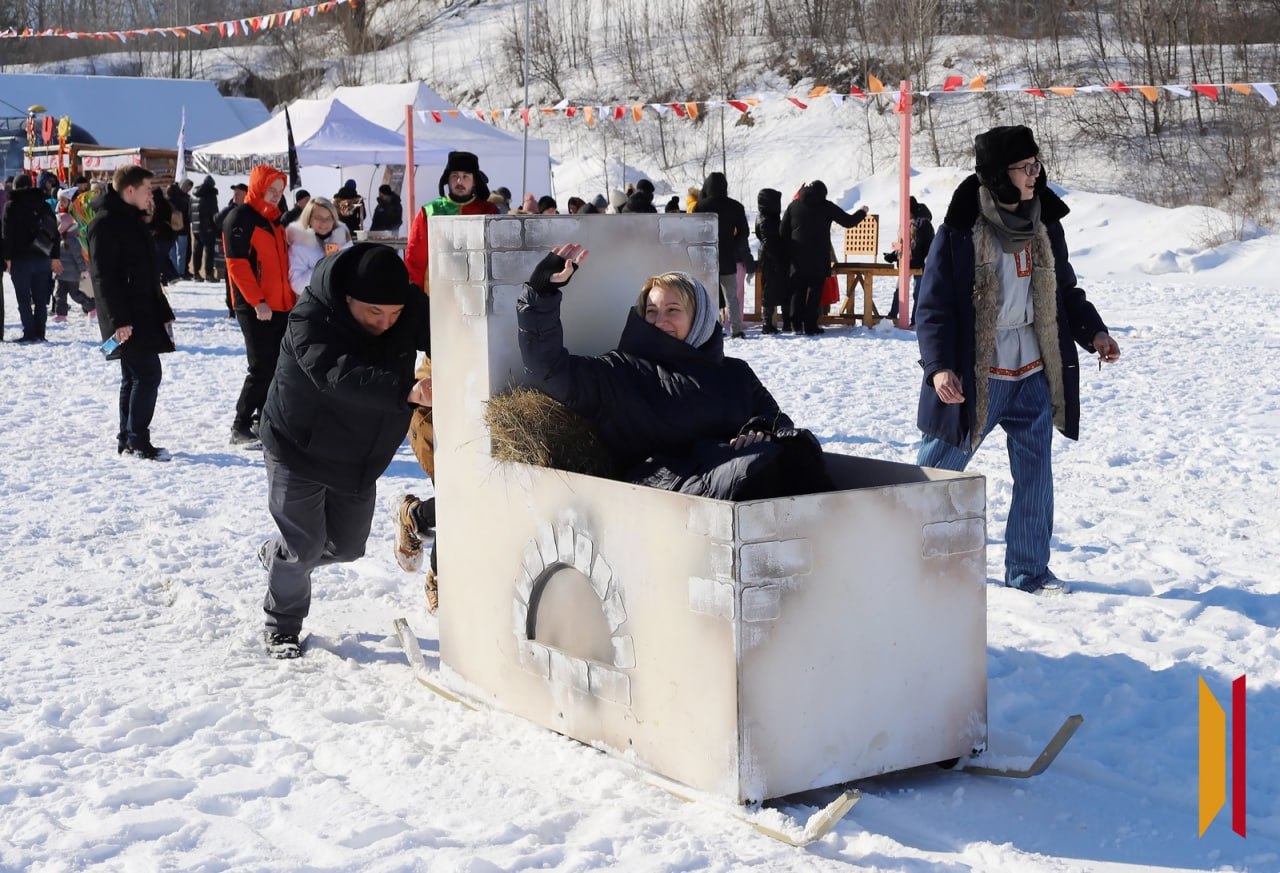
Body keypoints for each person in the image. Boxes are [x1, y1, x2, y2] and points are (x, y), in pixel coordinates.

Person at [914, 125, 1122, 595]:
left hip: (1032, 370)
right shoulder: (959, 232)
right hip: (977, 374)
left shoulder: (1045, 224)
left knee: (1036, 476)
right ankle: (904, 556)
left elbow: (1064, 291)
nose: (1036, 174)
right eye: (1026, 167)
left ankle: (1029, 571)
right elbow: (934, 309)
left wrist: (1095, 332)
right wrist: (939, 367)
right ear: (999, 175)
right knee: (936, 471)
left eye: (1036, 164)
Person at [515, 244, 831, 502]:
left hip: (736, 472)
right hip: (665, 491)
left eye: (673, 311)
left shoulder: (736, 373)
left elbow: (776, 420)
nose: (659, 320)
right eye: (651, 312)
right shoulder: (621, 371)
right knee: (752, 470)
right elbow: (548, 369)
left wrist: (759, 428)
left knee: (796, 450)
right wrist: (541, 293)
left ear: (701, 318)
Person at [257, 243, 431, 658]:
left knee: (347, 547)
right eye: (375, 313)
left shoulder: (406, 308)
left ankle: (280, 557)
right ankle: (282, 625)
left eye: (394, 314)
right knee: (303, 548)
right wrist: (407, 390)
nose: (387, 323)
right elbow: (337, 373)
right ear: (348, 298)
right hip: (298, 446)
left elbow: (455, 327)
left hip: (357, 455)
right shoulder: (310, 317)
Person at [399, 150, 498, 612]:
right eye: (454, 176)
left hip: (487, 334)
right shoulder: (431, 213)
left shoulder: (491, 213)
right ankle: (441, 569)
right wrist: (421, 323)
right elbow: (414, 267)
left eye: (466, 176)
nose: (460, 182)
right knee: (455, 471)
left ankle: (419, 519)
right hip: (443, 335)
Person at [88, 165, 175, 460]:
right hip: (128, 316)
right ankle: (138, 440)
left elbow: (147, 274)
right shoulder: (106, 223)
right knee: (148, 375)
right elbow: (104, 278)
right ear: (129, 190)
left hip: (144, 311)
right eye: (147, 188)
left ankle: (127, 438)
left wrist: (163, 310)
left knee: (134, 376)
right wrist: (118, 322)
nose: (151, 194)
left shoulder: (132, 220)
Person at [224, 165, 294, 447]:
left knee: (277, 365)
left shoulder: (275, 221)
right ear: (259, 188)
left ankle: (261, 419)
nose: (276, 195)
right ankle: (240, 425)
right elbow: (237, 265)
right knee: (261, 366)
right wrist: (257, 301)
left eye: (279, 191)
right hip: (255, 306)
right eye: (271, 190)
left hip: (280, 305)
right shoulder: (241, 218)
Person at [780, 181, 868, 336]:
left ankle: (795, 326)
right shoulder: (826, 206)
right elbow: (848, 222)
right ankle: (810, 326)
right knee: (814, 293)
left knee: (797, 292)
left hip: (797, 258)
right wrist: (862, 212)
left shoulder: (793, 206)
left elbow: (782, 231)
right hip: (818, 258)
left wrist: (791, 250)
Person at [2, 173, 61, 342]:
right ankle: (40, 333)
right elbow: (54, 233)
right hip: (42, 256)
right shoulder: (43, 204)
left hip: (20, 259)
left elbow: (8, 235)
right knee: (41, 298)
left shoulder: (11, 206)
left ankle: (29, 332)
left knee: (23, 298)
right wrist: (54, 257)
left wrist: (7, 258)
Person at [693, 172, 750, 339]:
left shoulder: (700, 206)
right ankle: (736, 329)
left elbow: (693, 232)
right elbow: (744, 232)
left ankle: (713, 330)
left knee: (710, 297)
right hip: (728, 257)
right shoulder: (736, 206)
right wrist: (734, 244)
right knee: (731, 296)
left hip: (706, 257)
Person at [286, 196, 352, 297]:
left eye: (328, 218)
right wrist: (324, 267)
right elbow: (297, 285)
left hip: (341, 300)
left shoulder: (342, 239)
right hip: (313, 303)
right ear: (309, 219)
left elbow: (352, 271)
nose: (324, 223)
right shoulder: (300, 245)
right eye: (318, 218)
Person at [884, 195, 935, 324]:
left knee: (918, 293)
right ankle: (893, 314)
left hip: (920, 265)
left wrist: (927, 262)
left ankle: (916, 319)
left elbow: (929, 245)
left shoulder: (924, 224)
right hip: (905, 263)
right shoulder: (905, 223)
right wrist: (893, 255)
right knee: (899, 290)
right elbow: (901, 244)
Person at [52, 187, 95, 323]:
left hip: (72, 273)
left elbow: (77, 256)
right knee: (60, 293)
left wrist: (82, 269)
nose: (61, 203)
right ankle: (61, 314)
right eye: (60, 201)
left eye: (64, 201)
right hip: (62, 271)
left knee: (75, 294)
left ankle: (91, 306)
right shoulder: (61, 236)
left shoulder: (72, 238)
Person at [755, 188, 790, 334]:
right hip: (773, 258)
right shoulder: (767, 219)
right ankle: (768, 324)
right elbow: (768, 241)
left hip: (773, 257)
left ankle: (775, 323)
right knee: (772, 291)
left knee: (777, 291)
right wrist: (776, 260)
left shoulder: (765, 217)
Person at [214, 183, 248, 315]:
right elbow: (216, 220)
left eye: (239, 192)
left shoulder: (250, 209)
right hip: (231, 252)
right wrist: (231, 209)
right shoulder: (230, 208)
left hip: (246, 251)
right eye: (235, 192)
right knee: (231, 280)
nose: (235, 195)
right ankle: (232, 307)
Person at [189, 176, 221, 282]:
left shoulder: (193, 195)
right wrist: (217, 226)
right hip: (208, 228)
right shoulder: (210, 195)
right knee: (209, 251)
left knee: (197, 251)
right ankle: (208, 274)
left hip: (196, 228)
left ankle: (196, 273)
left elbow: (190, 212)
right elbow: (214, 213)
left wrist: (193, 224)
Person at [148, 184, 181, 285]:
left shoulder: (159, 206)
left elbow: (157, 221)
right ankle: (172, 276)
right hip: (169, 235)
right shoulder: (166, 204)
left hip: (163, 236)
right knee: (164, 256)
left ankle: (169, 277)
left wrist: (149, 226)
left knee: (159, 257)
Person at [167, 179, 193, 279]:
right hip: (183, 229)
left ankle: (175, 272)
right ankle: (180, 272)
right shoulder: (185, 200)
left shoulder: (168, 200)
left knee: (173, 252)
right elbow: (188, 214)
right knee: (181, 252)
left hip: (171, 229)